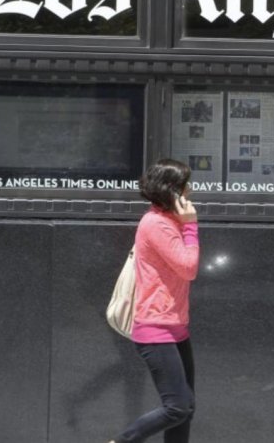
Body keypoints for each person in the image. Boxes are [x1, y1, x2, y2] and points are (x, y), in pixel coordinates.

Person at [110, 159, 200, 443]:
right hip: (155, 327)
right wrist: (191, 227)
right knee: (177, 406)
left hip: (175, 326)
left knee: (186, 407)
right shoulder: (157, 224)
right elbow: (188, 267)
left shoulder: (170, 219)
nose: (191, 189)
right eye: (186, 183)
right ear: (173, 190)